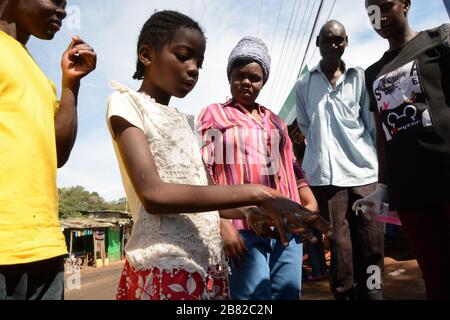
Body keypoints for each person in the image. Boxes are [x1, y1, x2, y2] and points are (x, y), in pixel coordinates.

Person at [106, 11, 327, 301]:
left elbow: (210, 192)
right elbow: (153, 194)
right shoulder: (126, 103)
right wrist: (258, 195)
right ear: (146, 55)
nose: (193, 68)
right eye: (184, 56)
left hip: (203, 264)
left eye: (198, 62)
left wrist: (250, 212)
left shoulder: (185, 122)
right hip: (164, 264)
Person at [196, 36, 330, 300]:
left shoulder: (276, 120)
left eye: (255, 78)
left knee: (287, 295)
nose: (246, 82)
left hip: (286, 230)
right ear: (229, 76)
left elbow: (293, 169)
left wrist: (309, 202)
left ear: (263, 81)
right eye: (239, 75)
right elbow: (203, 172)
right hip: (244, 228)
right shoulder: (215, 115)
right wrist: (223, 223)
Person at [0, 0, 96, 300]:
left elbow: (58, 153)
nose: (64, 11)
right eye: (55, 0)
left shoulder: (39, 77)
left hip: (46, 247)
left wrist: (70, 83)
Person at [355, 0, 450, 299]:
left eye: (385, 6)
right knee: (437, 278)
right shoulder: (373, 73)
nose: (378, 16)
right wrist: (383, 185)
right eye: (370, 11)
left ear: (406, 4)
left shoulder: (439, 40)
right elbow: (382, 133)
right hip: (410, 192)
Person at [295, 20, 385, 300]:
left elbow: (371, 127)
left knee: (371, 244)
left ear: (346, 42)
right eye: (327, 40)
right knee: (338, 246)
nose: (333, 45)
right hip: (326, 181)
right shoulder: (304, 84)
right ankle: (343, 295)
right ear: (317, 43)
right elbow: (307, 126)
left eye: (339, 40)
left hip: (364, 178)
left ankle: (374, 293)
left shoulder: (359, 78)